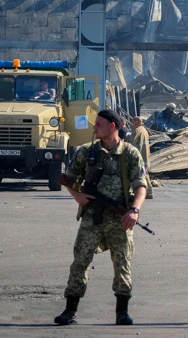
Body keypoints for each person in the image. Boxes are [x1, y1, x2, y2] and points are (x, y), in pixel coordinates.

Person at [54, 109, 148, 326]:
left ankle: (122, 312)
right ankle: (70, 311)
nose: (94, 128)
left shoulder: (130, 154)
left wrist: (134, 210)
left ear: (112, 126)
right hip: (91, 219)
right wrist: (77, 195)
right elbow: (67, 178)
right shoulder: (86, 152)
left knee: (122, 264)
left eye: (99, 124)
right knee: (80, 262)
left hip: (120, 219)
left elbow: (141, 186)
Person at [129, 116, 153, 199]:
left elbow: (131, 143)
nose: (131, 123)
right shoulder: (144, 130)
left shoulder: (137, 130)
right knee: (144, 172)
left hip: (139, 156)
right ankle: (149, 191)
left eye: (132, 121)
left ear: (136, 121)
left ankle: (141, 191)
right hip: (145, 155)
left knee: (139, 173)